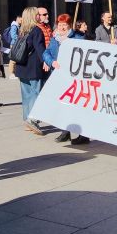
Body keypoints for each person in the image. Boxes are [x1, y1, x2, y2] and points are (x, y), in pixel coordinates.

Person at [44, 15, 89, 145]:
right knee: (62, 105)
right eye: (59, 25)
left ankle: (83, 134)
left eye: (64, 25)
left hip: (75, 79)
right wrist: (51, 62)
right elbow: (46, 53)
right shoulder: (54, 38)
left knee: (78, 106)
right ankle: (65, 132)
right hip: (59, 77)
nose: (62, 27)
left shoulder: (78, 38)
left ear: (69, 25)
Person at [13, 6, 47, 135]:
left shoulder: (22, 30)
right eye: (37, 14)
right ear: (33, 16)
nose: (39, 16)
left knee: (26, 94)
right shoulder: (37, 30)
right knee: (36, 93)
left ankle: (27, 119)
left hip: (22, 66)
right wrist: (47, 61)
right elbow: (40, 49)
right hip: (33, 67)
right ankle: (32, 120)